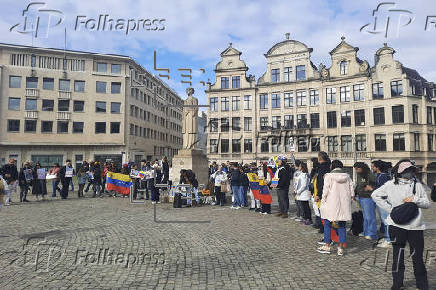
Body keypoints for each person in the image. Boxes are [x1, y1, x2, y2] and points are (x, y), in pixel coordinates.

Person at [372, 160, 430, 290]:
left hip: (415, 227)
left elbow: (427, 204)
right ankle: (397, 284)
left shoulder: (417, 185)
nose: (409, 173)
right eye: (407, 171)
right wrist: (391, 209)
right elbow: (375, 195)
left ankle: (422, 285)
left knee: (417, 258)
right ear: (400, 172)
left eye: (411, 170)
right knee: (398, 256)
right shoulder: (390, 184)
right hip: (397, 226)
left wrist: (415, 199)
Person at [317, 160, 354, 256]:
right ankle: (340, 247)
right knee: (342, 224)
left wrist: (323, 200)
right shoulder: (347, 176)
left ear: (332, 166)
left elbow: (325, 190)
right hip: (344, 204)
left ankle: (327, 245)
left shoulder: (329, 176)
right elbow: (352, 190)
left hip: (331, 203)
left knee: (327, 224)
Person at [354, 162, 378, 240]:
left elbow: (375, 184)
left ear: (362, 168)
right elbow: (358, 185)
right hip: (361, 197)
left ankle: (372, 233)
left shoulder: (369, 174)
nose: (356, 170)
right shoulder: (359, 174)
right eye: (355, 169)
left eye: (358, 168)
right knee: (365, 217)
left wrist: (369, 187)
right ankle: (365, 231)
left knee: (370, 216)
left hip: (368, 197)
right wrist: (355, 193)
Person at [371, 160, 392, 248]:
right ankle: (387, 237)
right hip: (381, 201)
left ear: (377, 167)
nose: (372, 167)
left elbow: (384, 190)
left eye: (373, 166)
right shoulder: (380, 176)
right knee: (384, 220)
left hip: (383, 201)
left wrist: (372, 189)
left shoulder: (383, 177)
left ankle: (389, 240)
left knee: (386, 220)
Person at [315, 152, 331, 234]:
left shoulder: (322, 168)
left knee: (323, 212)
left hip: (323, 193)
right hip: (327, 192)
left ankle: (324, 229)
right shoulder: (328, 166)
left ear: (320, 158)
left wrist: (318, 194)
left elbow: (321, 183)